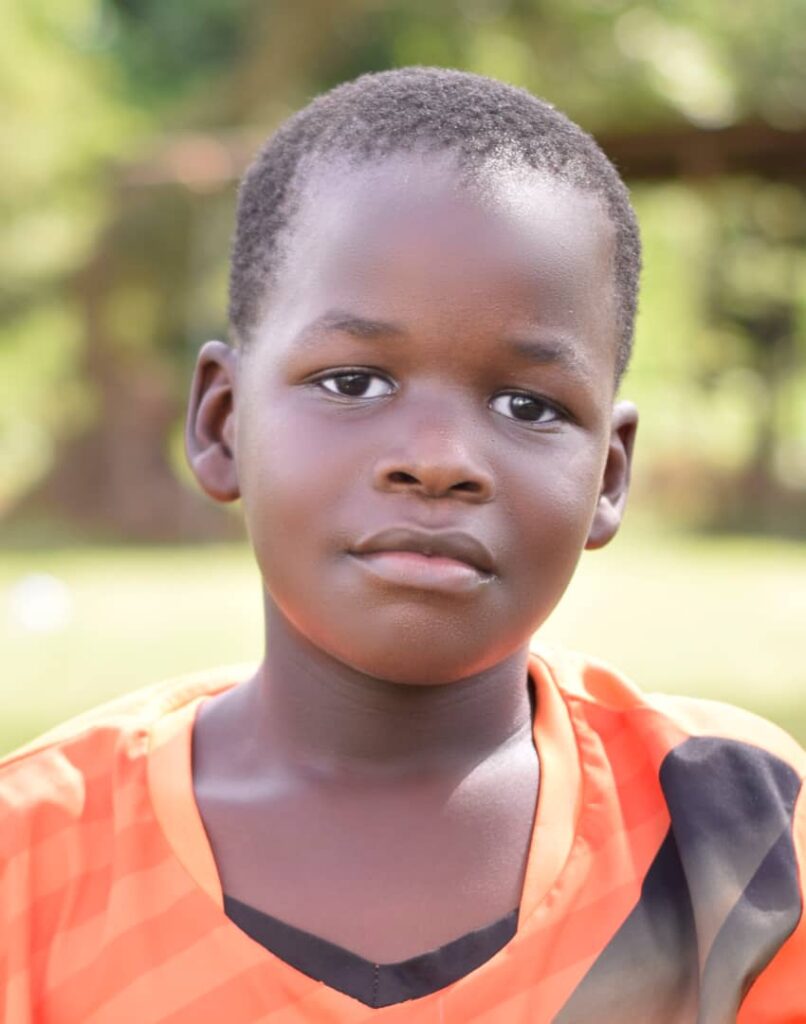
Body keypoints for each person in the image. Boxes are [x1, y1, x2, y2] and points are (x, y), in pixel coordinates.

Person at [1, 67, 804, 1023]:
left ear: (609, 476)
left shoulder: (738, 838)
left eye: (527, 405)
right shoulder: (32, 853)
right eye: (354, 384)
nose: (438, 461)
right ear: (222, 423)